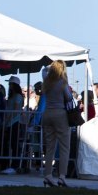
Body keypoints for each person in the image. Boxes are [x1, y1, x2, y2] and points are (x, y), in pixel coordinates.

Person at [39, 59, 75, 187]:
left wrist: (51, 66)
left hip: (47, 113)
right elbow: (69, 97)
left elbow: (43, 70)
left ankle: (48, 175)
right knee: (65, 146)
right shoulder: (62, 82)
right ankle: (62, 176)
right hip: (60, 114)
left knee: (50, 146)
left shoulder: (46, 81)